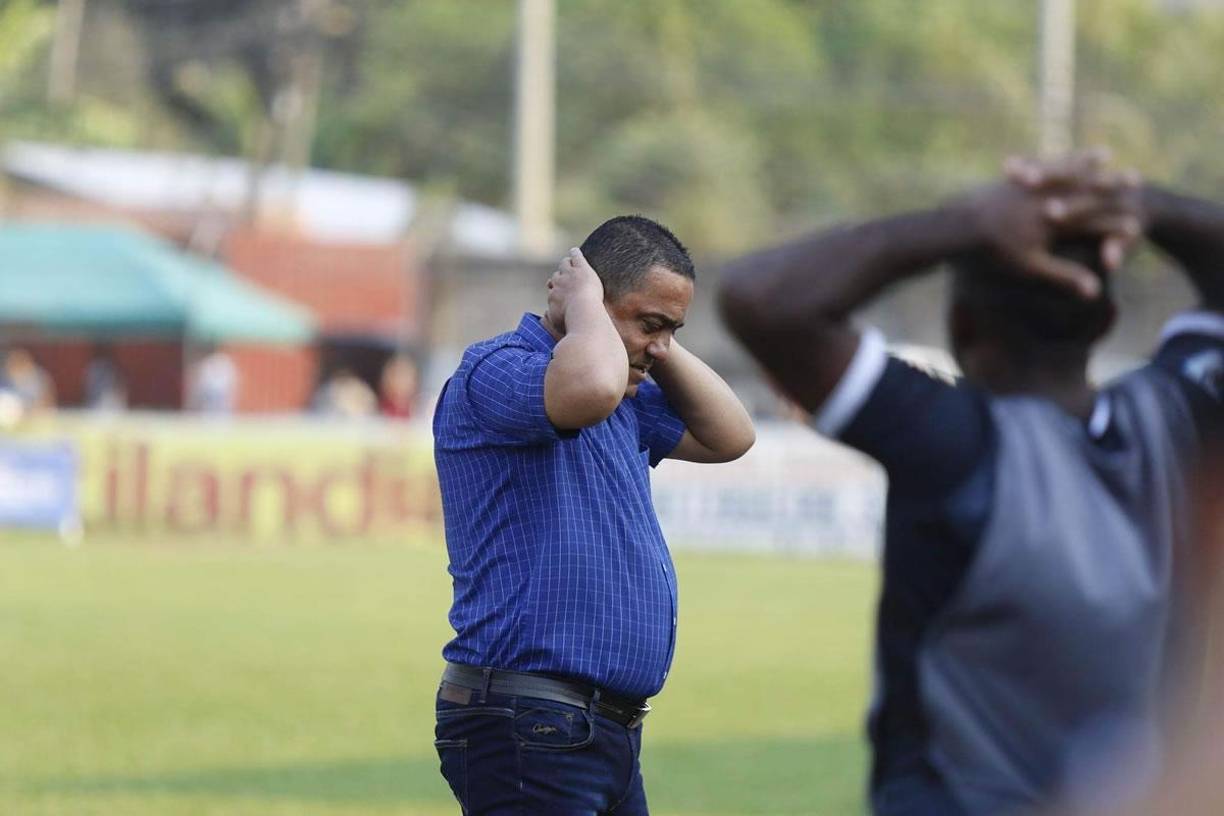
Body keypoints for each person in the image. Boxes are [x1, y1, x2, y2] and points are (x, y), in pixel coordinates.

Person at [719, 152, 1223, 816]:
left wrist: (963, 225)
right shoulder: (1181, 423)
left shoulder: (954, 446)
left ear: (962, 329)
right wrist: (1141, 203)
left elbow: (763, 298)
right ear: (1103, 322)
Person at [432, 215, 755, 814]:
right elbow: (590, 389)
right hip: (529, 719)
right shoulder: (498, 369)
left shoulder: (624, 389)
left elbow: (731, 436)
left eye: (671, 329)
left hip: (595, 728)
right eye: (648, 323)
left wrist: (656, 342)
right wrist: (586, 304)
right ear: (588, 297)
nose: (656, 348)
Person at [377, 353, 417, 420]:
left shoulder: (418, 411)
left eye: (405, 376)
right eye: (396, 375)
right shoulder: (377, 409)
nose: (401, 381)